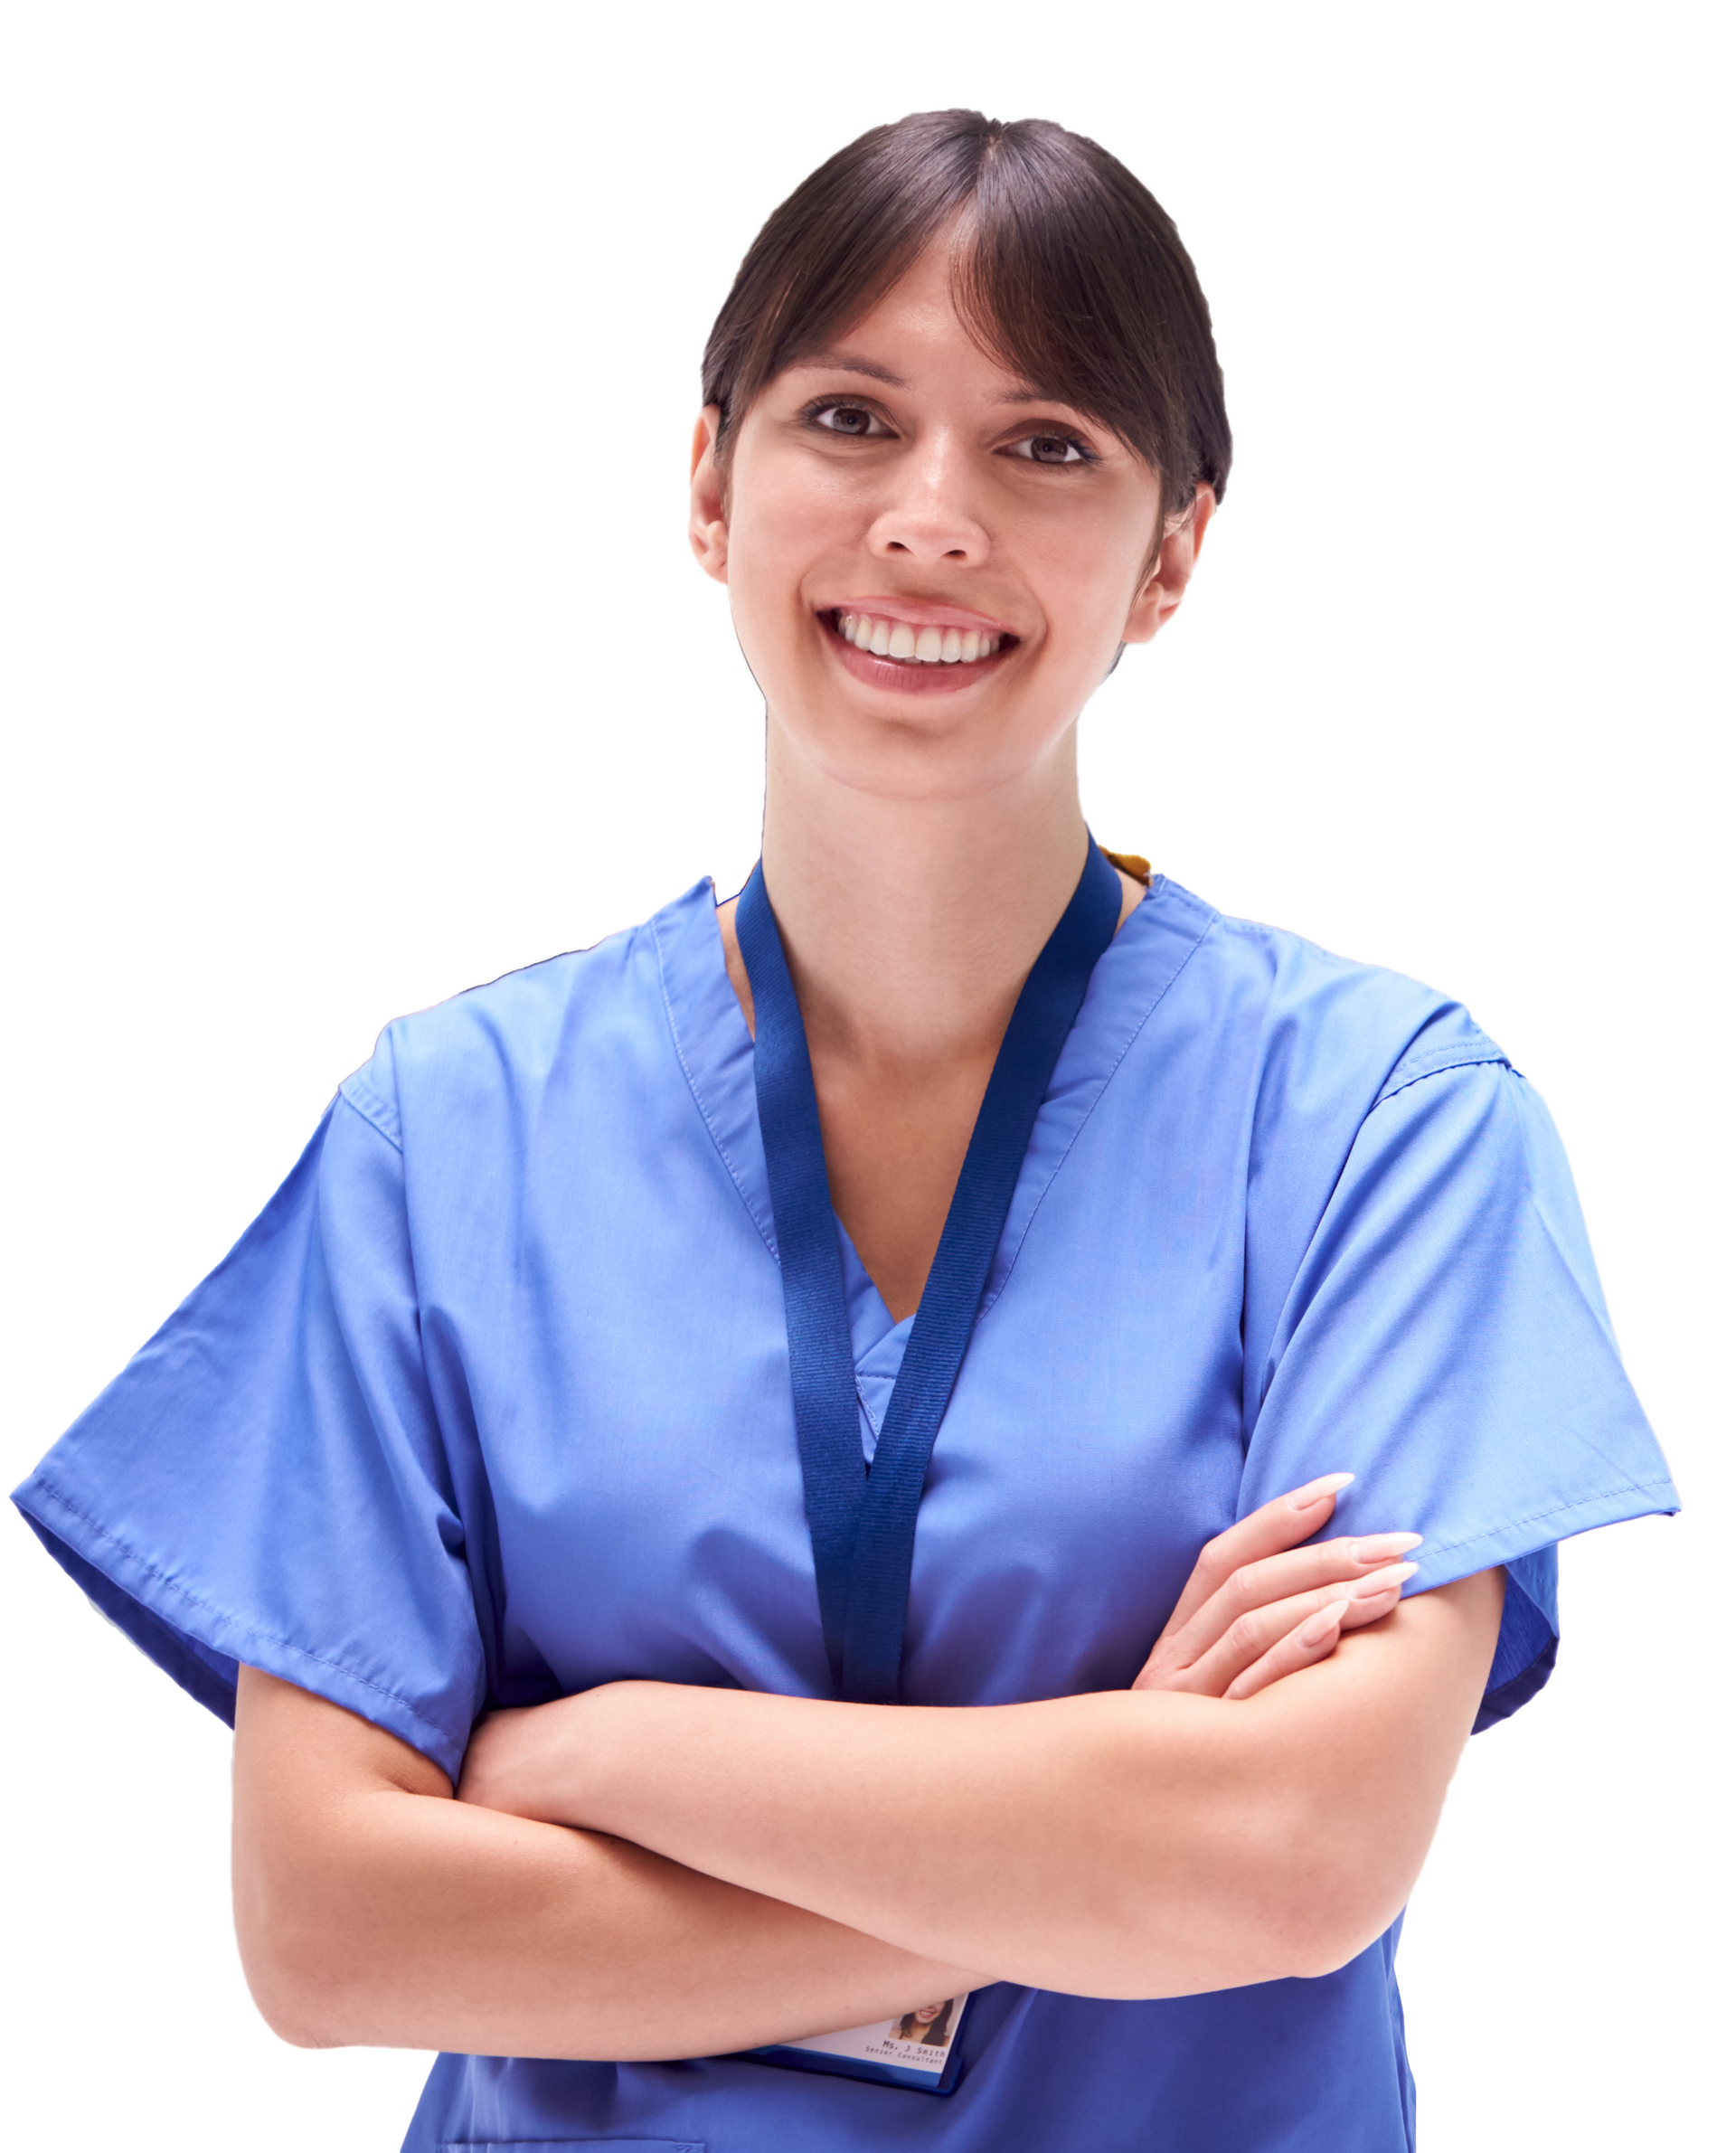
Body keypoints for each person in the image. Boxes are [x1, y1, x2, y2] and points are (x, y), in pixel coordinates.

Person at [11, 106, 1677, 2152]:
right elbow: (332, 1929)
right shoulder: (450, 1134)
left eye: (1049, 442)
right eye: (851, 418)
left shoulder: (1383, 1126)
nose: (933, 518)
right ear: (710, 482)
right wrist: (1089, 1832)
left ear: (1176, 552)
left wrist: (592, 1748)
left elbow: (1290, 1858)